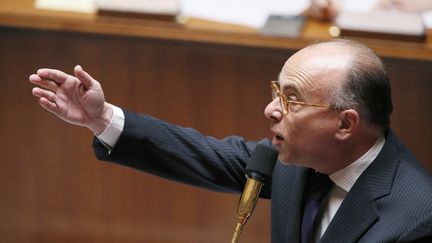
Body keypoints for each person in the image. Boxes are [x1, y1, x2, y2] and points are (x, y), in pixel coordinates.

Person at [29, 39, 432, 242]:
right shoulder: (297, 158)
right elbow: (206, 154)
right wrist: (101, 118)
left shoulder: (416, 221)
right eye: (277, 91)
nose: (271, 110)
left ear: (346, 124)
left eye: (291, 99)